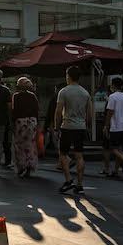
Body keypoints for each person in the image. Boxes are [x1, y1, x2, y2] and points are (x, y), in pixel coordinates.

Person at [54, 66, 91, 194]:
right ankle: (80, 185)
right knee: (79, 155)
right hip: (80, 127)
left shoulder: (63, 92)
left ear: (68, 76)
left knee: (63, 153)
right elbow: (89, 114)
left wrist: (55, 127)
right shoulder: (85, 93)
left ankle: (69, 179)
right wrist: (86, 126)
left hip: (67, 126)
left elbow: (58, 112)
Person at [102, 78, 123, 179]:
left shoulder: (113, 96)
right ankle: (115, 171)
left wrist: (106, 126)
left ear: (113, 85)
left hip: (115, 127)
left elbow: (110, 112)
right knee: (120, 150)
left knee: (113, 149)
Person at [11, 77, 40, 177]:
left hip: (21, 122)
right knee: (30, 144)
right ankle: (29, 166)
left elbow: (14, 110)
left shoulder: (16, 96)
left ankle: (21, 165)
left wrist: (12, 123)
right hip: (32, 122)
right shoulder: (32, 96)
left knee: (19, 145)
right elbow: (36, 110)